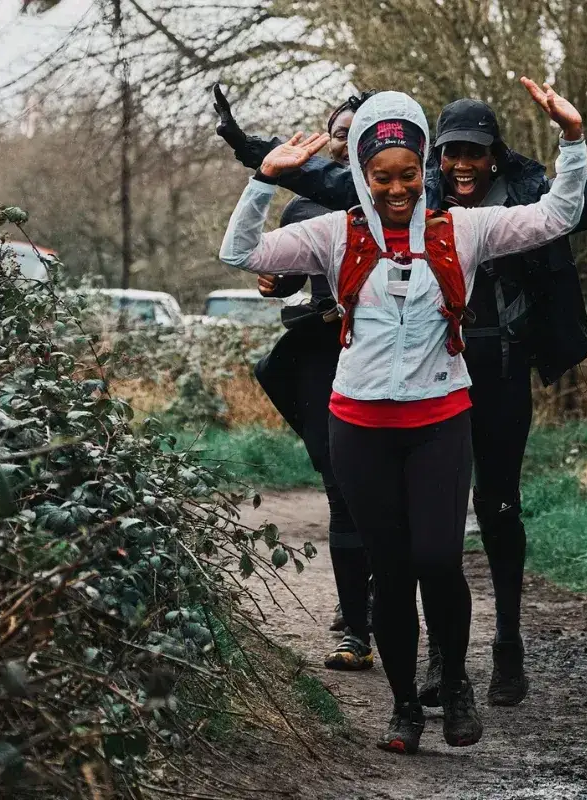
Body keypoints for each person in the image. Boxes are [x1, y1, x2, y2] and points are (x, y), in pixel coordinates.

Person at [213, 80, 587, 708]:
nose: (461, 164)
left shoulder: (501, 209)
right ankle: (424, 672)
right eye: (451, 152)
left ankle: (502, 648)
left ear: (493, 156)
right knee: (410, 543)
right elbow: (322, 177)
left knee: (491, 513)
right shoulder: (397, 201)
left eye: (474, 152)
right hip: (402, 392)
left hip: (492, 374)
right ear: (434, 157)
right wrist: (253, 154)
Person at [224, 90, 379, 671]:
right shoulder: (305, 208)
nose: (347, 143)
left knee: (388, 494)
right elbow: (284, 276)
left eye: (360, 133)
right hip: (322, 356)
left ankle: (378, 598)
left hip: (390, 358)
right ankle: (356, 628)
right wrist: (274, 281)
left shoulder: (412, 206)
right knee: (342, 490)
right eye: (339, 133)